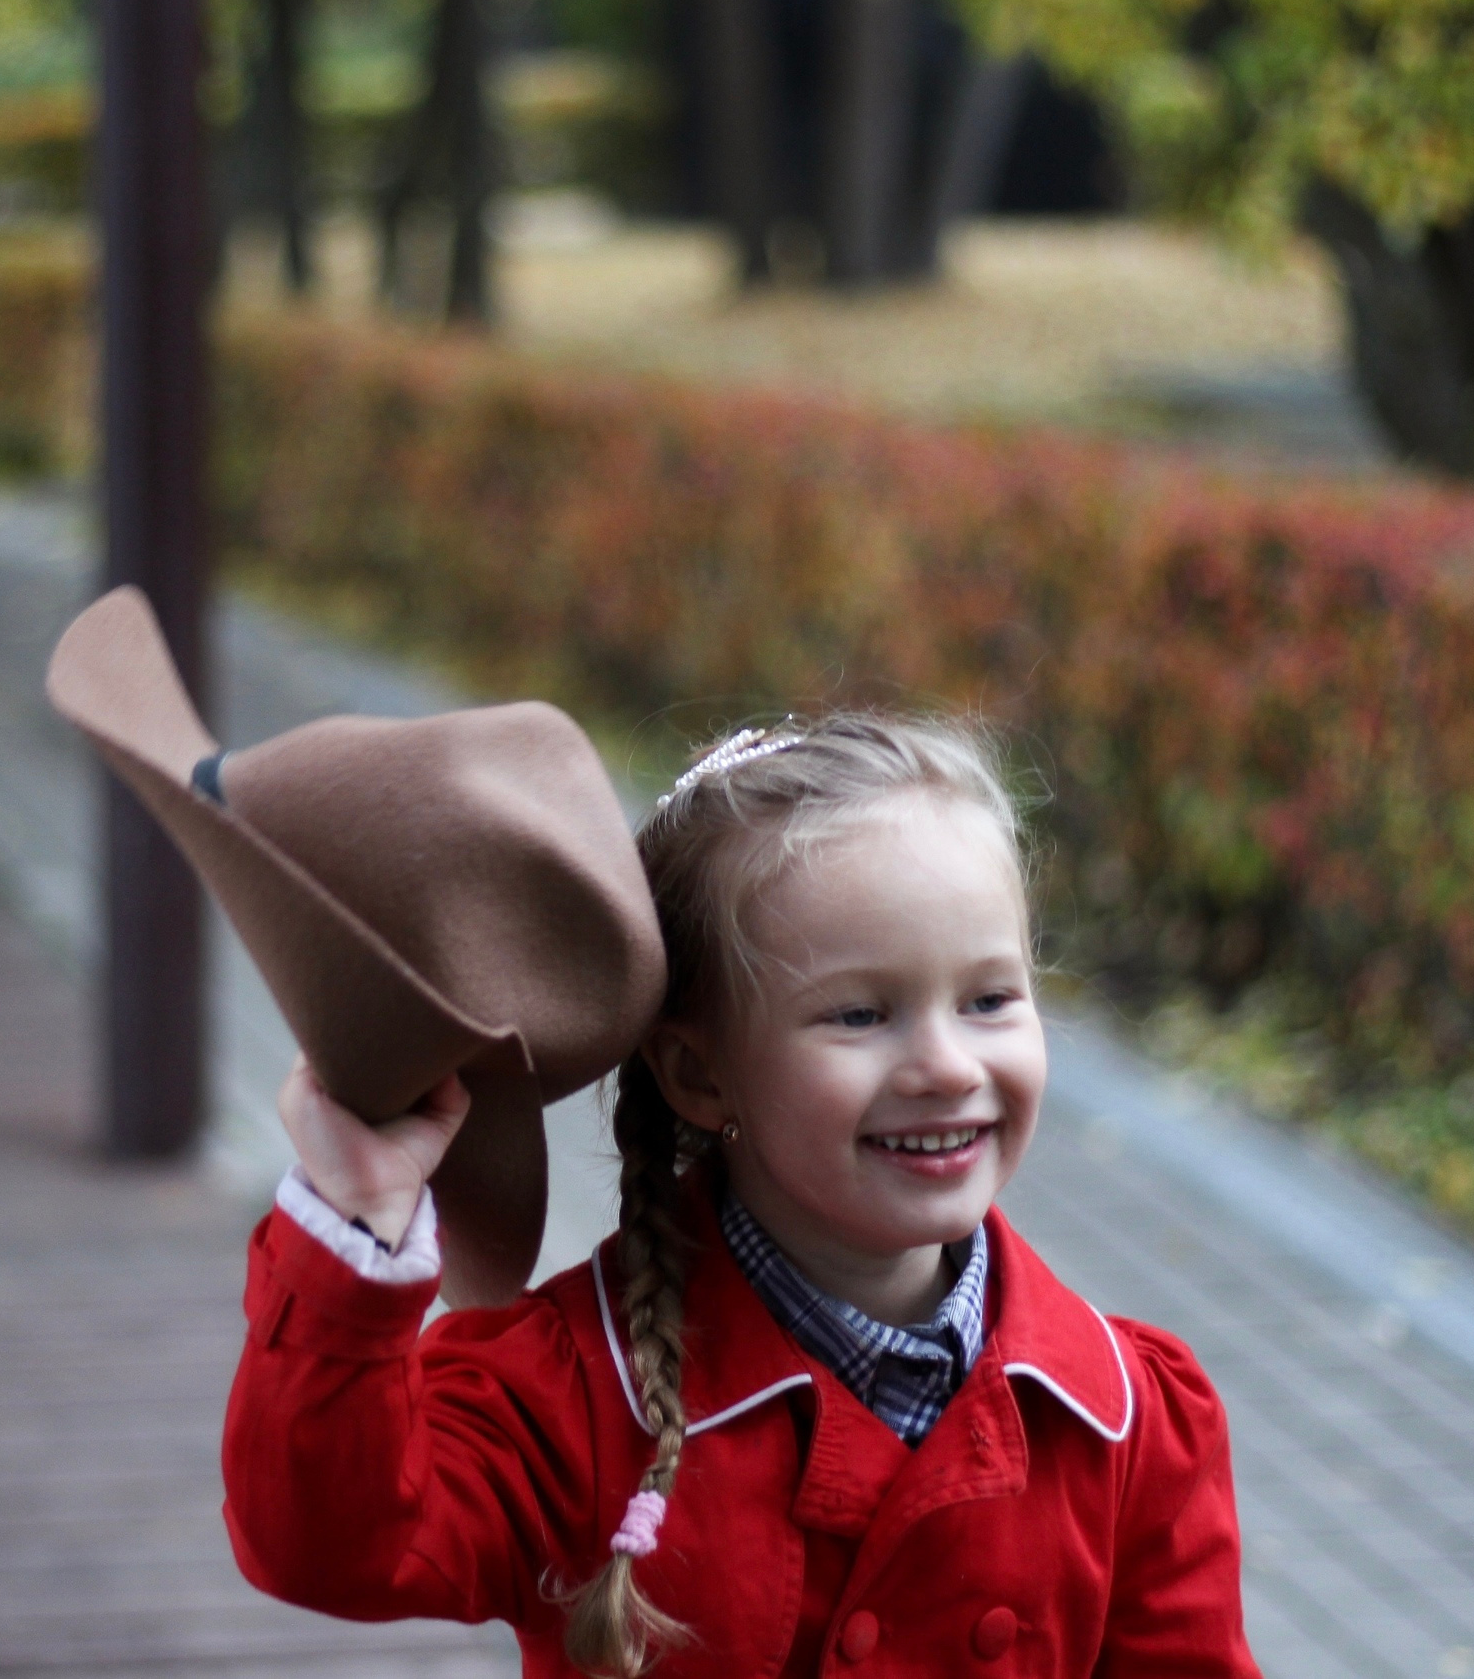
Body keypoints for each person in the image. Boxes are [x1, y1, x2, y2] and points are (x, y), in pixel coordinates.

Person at [223, 713, 1260, 1678]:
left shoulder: (1128, 1422)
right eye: (859, 1015)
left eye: (989, 998)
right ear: (700, 1075)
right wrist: (354, 1216)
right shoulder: (572, 1396)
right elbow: (326, 1545)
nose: (946, 1065)